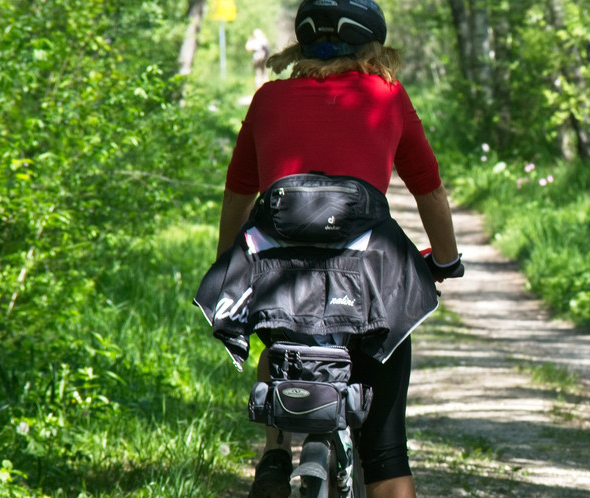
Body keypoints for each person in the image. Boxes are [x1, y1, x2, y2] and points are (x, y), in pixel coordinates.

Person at [198, 1, 463, 497]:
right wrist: (445, 260)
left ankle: (275, 452)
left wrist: (227, 262)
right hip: (368, 281)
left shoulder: (269, 99)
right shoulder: (386, 95)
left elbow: (239, 192)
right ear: (373, 46)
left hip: (279, 277)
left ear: (299, 45)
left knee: (277, 334)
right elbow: (428, 189)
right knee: (386, 452)